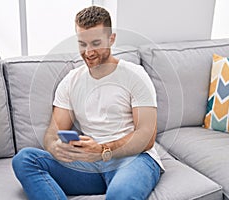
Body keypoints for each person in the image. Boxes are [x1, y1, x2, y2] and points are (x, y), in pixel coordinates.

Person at [12, 5, 164, 200]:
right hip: (89, 164)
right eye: (82, 44)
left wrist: (102, 151)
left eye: (95, 43)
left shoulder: (135, 75)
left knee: (120, 194)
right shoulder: (71, 81)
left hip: (132, 159)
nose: (88, 51)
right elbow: (53, 132)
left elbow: (146, 136)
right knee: (25, 159)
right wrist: (53, 146)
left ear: (111, 39)